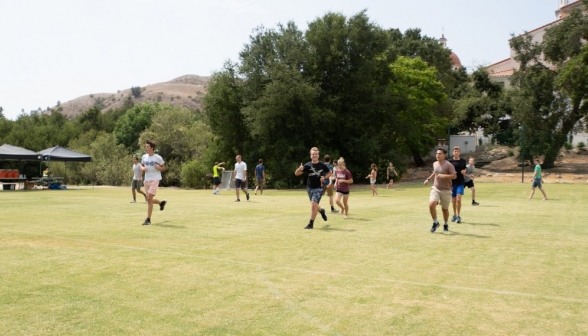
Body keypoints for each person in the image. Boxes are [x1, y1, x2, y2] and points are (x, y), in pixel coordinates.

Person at [294, 147, 332, 229]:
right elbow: (296, 174)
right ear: (311, 155)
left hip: (319, 187)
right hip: (310, 188)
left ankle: (311, 224)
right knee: (314, 205)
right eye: (313, 154)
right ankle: (321, 210)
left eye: (316, 154)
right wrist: (299, 169)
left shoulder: (322, 165)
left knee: (313, 204)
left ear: (318, 155)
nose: (315, 155)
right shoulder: (307, 165)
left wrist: (325, 178)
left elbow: (330, 172)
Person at [424, 148, 457, 233]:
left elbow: (454, 176)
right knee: (431, 205)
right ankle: (435, 222)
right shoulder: (435, 163)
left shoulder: (449, 165)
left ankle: (445, 224)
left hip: (446, 190)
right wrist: (428, 179)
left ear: (444, 155)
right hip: (436, 188)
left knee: (444, 209)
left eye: (440, 154)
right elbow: (435, 172)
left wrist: (444, 176)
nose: (438, 155)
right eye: (437, 154)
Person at [141, 140, 167, 225]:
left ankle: (148, 219)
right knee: (148, 199)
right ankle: (161, 203)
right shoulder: (144, 157)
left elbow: (163, 167)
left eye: (147, 146)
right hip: (147, 179)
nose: (146, 148)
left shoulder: (157, 157)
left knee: (149, 198)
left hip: (155, 179)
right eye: (146, 146)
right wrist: (143, 168)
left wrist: (158, 168)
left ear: (152, 148)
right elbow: (142, 165)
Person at [448, 146, 467, 223]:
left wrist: (464, 171)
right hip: (452, 183)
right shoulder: (449, 161)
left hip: (460, 182)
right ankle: (454, 215)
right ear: (453, 152)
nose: (456, 152)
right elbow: (447, 170)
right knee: (453, 200)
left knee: (458, 199)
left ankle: (458, 216)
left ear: (459, 153)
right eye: (455, 151)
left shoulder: (463, 161)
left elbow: (465, 168)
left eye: (457, 151)